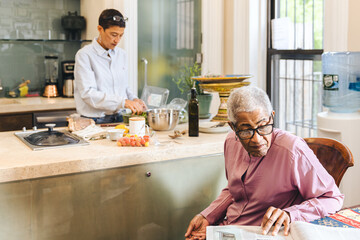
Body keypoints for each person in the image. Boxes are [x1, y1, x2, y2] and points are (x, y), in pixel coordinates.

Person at [185, 86, 344, 239]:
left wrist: (291, 214)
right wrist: (208, 215)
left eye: (263, 126)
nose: (257, 139)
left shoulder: (292, 150)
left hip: (263, 233)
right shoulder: (230, 142)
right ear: (233, 127)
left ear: (272, 117)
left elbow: (332, 198)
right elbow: (234, 190)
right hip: (227, 229)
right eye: (246, 130)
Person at [74, 9, 146, 124]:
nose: (117, 40)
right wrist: (124, 102)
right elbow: (88, 94)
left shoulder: (121, 54)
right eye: (113, 35)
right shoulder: (84, 55)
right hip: (94, 121)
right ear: (100, 29)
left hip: (120, 118)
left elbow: (124, 87)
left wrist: (134, 99)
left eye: (121, 35)